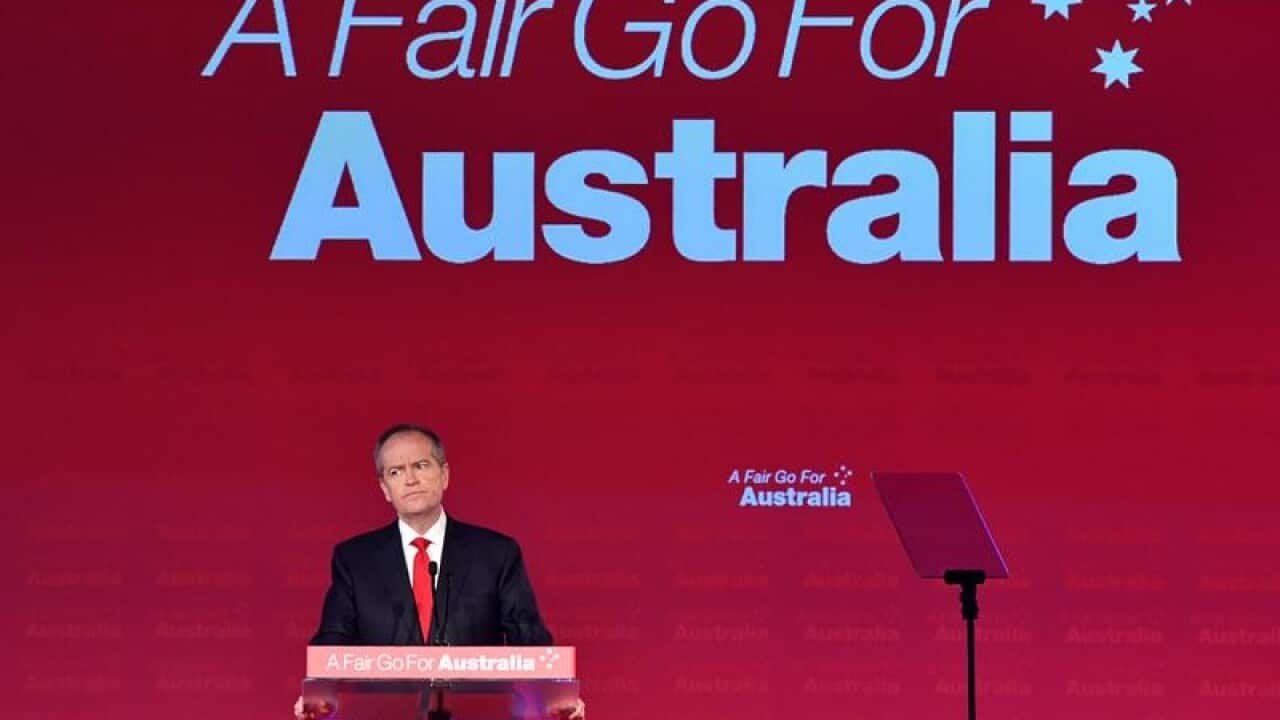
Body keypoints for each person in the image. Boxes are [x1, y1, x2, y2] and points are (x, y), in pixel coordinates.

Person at [294, 423, 584, 719]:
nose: (410, 479)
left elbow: (531, 641)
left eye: (421, 465)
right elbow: (331, 644)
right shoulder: (355, 559)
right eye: (396, 471)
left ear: (444, 475)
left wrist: (556, 695)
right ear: (384, 488)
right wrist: (318, 694)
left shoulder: (496, 553)